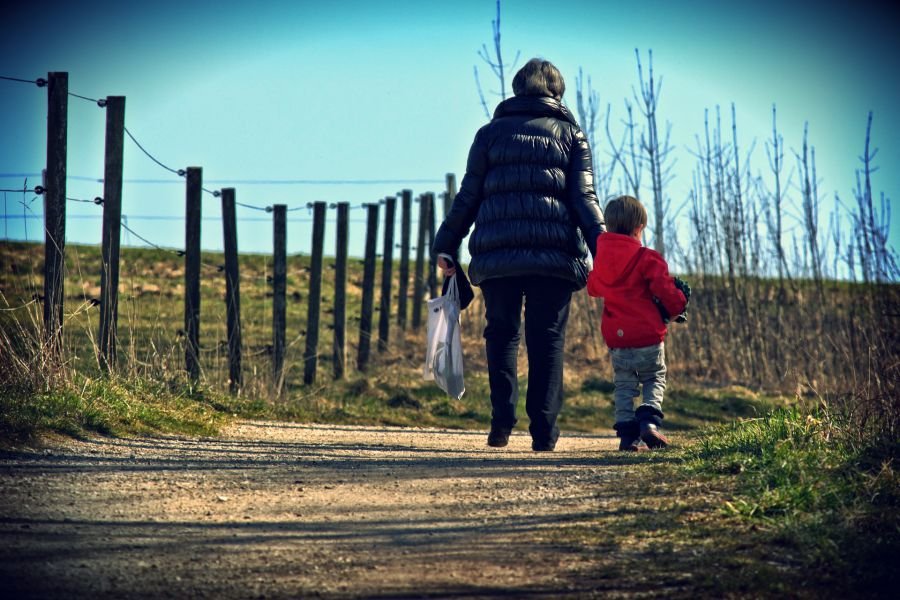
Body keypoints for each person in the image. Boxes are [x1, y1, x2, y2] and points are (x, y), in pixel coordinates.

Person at [433, 58, 606, 451]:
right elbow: (584, 199)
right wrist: (607, 249)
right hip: (555, 258)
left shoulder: (488, 135)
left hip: (499, 257)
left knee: (502, 335)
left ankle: (501, 423)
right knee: (547, 340)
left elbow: (469, 197)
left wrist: (446, 244)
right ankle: (543, 432)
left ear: (517, 89)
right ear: (556, 92)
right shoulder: (571, 135)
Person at [586, 195, 689, 451]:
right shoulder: (647, 258)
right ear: (639, 228)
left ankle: (627, 436)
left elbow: (593, 287)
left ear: (608, 227)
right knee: (654, 377)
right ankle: (649, 423)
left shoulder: (602, 260)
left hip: (618, 339)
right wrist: (679, 303)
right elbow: (666, 291)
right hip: (647, 335)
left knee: (624, 384)